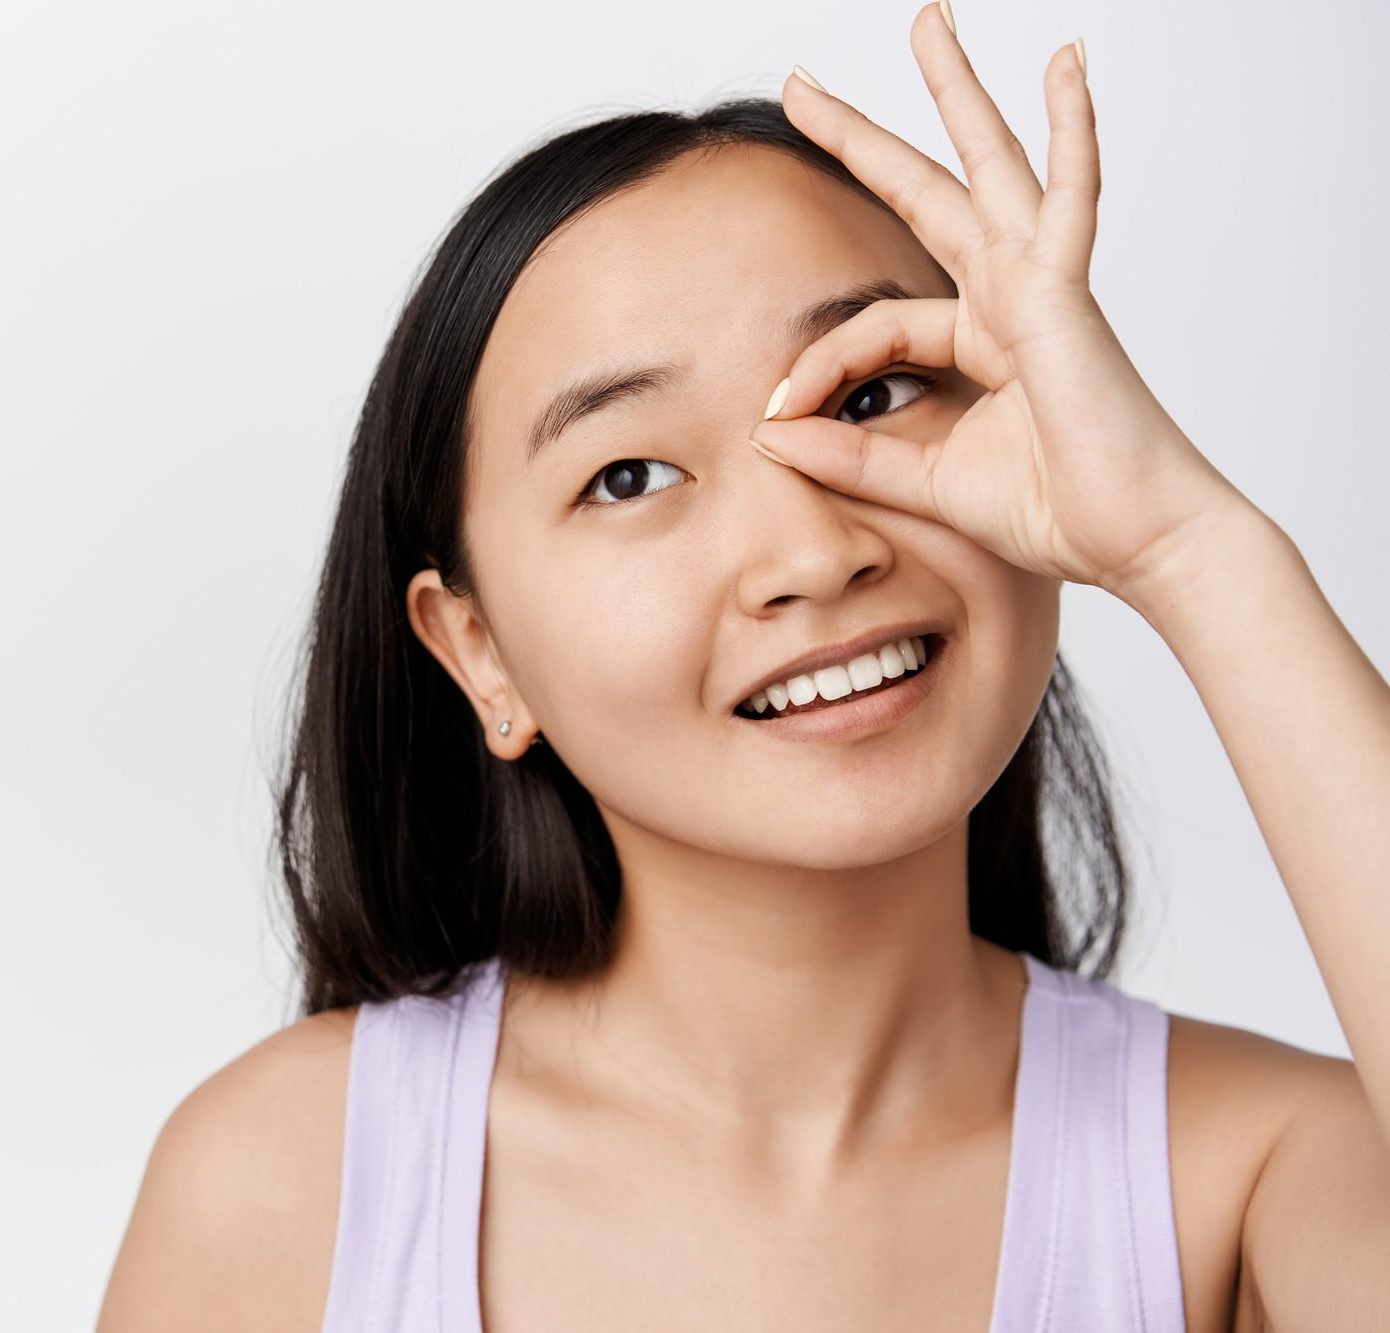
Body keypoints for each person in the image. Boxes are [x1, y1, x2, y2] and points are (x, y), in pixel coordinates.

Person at [98, 5, 1390, 1328]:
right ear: (480, 652)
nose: (812, 552)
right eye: (632, 474)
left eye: (869, 394)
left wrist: (1192, 548)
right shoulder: (283, 1189)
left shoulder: (1251, 1178)